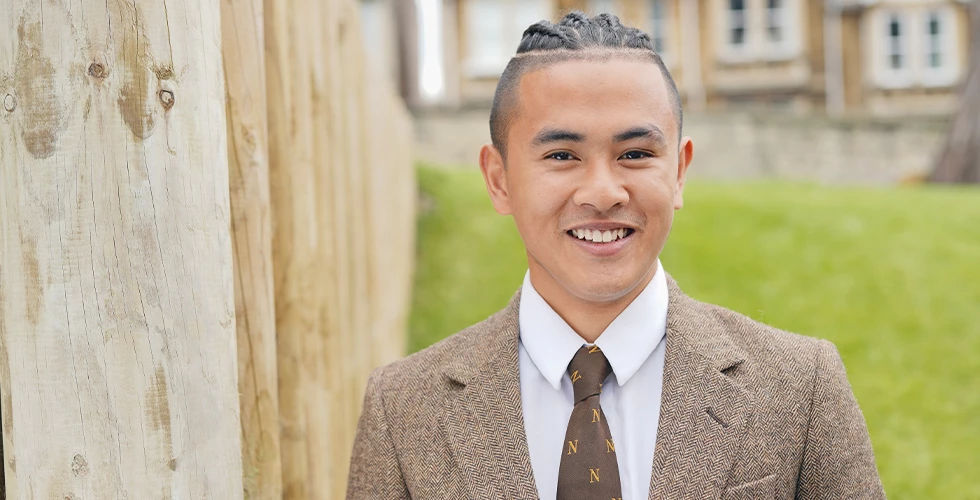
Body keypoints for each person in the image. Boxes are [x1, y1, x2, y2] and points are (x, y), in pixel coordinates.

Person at [346, 11, 885, 500]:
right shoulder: (403, 409)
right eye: (562, 155)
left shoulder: (799, 387)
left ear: (678, 171)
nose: (603, 192)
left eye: (634, 154)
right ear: (498, 178)